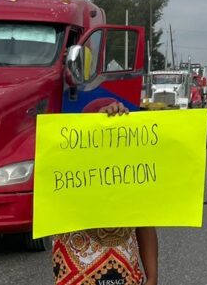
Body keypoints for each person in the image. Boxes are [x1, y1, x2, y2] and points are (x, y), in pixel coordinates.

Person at [53, 100, 157, 285]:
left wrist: (152, 277)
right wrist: (96, 125)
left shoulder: (129, 181)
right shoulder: (66, 176)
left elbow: (146, 226)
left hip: (128, 279)